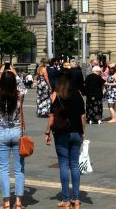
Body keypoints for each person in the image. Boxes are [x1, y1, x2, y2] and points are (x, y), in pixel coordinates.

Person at [45, 73, 86, 209]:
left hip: (62, 134)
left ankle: (66, 200)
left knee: (63, 164)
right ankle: (77, 199)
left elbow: (52, 116)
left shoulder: (57, 96)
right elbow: (82, 117)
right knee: (74, 165)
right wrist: (83, 133)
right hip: (76, 133)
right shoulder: (78, 95)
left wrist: (47, 132)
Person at [0, 69, 27, 209]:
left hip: (1, 131)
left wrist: (0, 76)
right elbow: (23, 87)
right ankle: (18, 203)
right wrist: (15, 75)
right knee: (19, 169)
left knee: (4, 169)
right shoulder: (19, 94)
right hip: (17, 132)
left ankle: (6, 203)